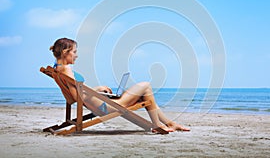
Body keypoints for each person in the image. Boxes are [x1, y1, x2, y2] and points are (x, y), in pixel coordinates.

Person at [49, 37, 190, 133]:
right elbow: (75, 97)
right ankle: (158, 124)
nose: (76, 55)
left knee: (145, 95)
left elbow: (71, 98)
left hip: (102, 104)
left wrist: (98, 91)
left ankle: (166, 123)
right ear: (65, 52)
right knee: (146, 86)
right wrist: (97, 89)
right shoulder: (66, 70)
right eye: (74, 52)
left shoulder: (58, 69)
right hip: (105, 107)